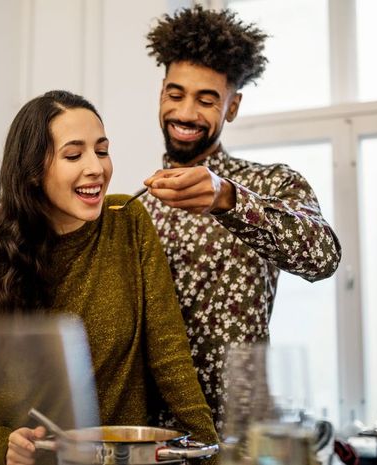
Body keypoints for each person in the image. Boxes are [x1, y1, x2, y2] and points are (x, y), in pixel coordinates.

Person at [0, 90, 218, 465]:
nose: (96, 168)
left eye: (102, 150)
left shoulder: (129, 221)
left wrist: (211, 451)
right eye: (74, 155)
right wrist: (4, 444)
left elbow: (170, 357)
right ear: (32, 171)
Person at [142, 6, 343, 432]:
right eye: (175, 94)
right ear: (161, 93)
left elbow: (323, 257)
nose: (186, 113)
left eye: (207, 99)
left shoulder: (272, 184)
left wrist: (229, 199)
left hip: (242, 434)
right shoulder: (137, 207)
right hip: (152, 435)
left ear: (232, 107)